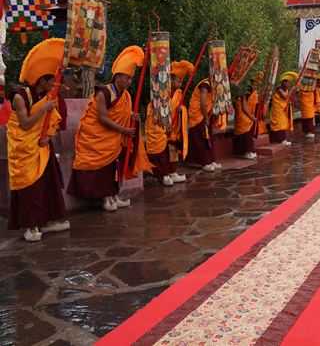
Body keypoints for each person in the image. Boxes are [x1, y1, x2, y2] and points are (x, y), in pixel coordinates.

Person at [68, 46, 153, 211]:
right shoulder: (104, 92)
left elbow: (123, 113)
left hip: (114, 136)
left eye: (131, 79)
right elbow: (103, 119)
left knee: (115, 166)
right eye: (127, 78)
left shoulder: (125, 95)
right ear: (117, 77)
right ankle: (105, 198)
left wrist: (132, 118)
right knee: (103, 168)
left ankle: (114, 195)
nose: (129, 82)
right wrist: (124, 130)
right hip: (98, 135)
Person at [7, 38, 69, 241]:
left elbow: (54, 122)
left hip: (42, 146)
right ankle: (29, 225)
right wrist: (43, 109)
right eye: (52, 81)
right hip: (24, 148)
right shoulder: (20, 96)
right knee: (29, 186)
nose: (55, 85)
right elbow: (25, 125)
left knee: (46, 184)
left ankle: (46, 221)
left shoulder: (49, 96)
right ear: (42, 81)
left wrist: (49, 136)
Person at [146, 60, 193, 186]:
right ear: (170, 80)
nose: (180, 84)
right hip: (160, 125)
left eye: (181, 82)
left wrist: (181, 110)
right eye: (178, 81)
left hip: (173, 127)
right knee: (161, 149)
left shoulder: (178, 93)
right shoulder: (162, 92)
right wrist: (164, 126)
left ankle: (172, 172)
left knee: (172, 149)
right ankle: (164, 174)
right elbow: (154, 108)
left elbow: (183, 108)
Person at [185, 72, 221, 172]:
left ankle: (211, 160)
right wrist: (206, 118)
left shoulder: (213, 86)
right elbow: (202, 104)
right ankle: (204, 163)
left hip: (206, 114)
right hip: (199, 115)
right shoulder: (205, 85)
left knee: (209, 137)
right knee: (202, 138)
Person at [233, 72, 263, 159]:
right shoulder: (245, 92)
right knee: (246, 129)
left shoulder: (254, 93)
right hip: (243, 113)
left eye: (257, 85)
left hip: (249, 114)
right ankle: (246, 152)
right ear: (250, 84)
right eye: (254, 85)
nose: (255, 87)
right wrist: (252, 117)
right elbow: (243, 107)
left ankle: (249, 151)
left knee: (249, 133)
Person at [270, 72, 297, 145]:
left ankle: (282, 140)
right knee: (280, 124)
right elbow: (286, 97)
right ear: (284, 82)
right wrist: (292, 89)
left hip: (282, 110)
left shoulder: (285, 89)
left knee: (283, 123)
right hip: (277, 110)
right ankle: (281, 140)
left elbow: (285, 100)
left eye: (290, 83)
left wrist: (287, 103)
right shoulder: (279, 89)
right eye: (288, 83)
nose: (289, 84)